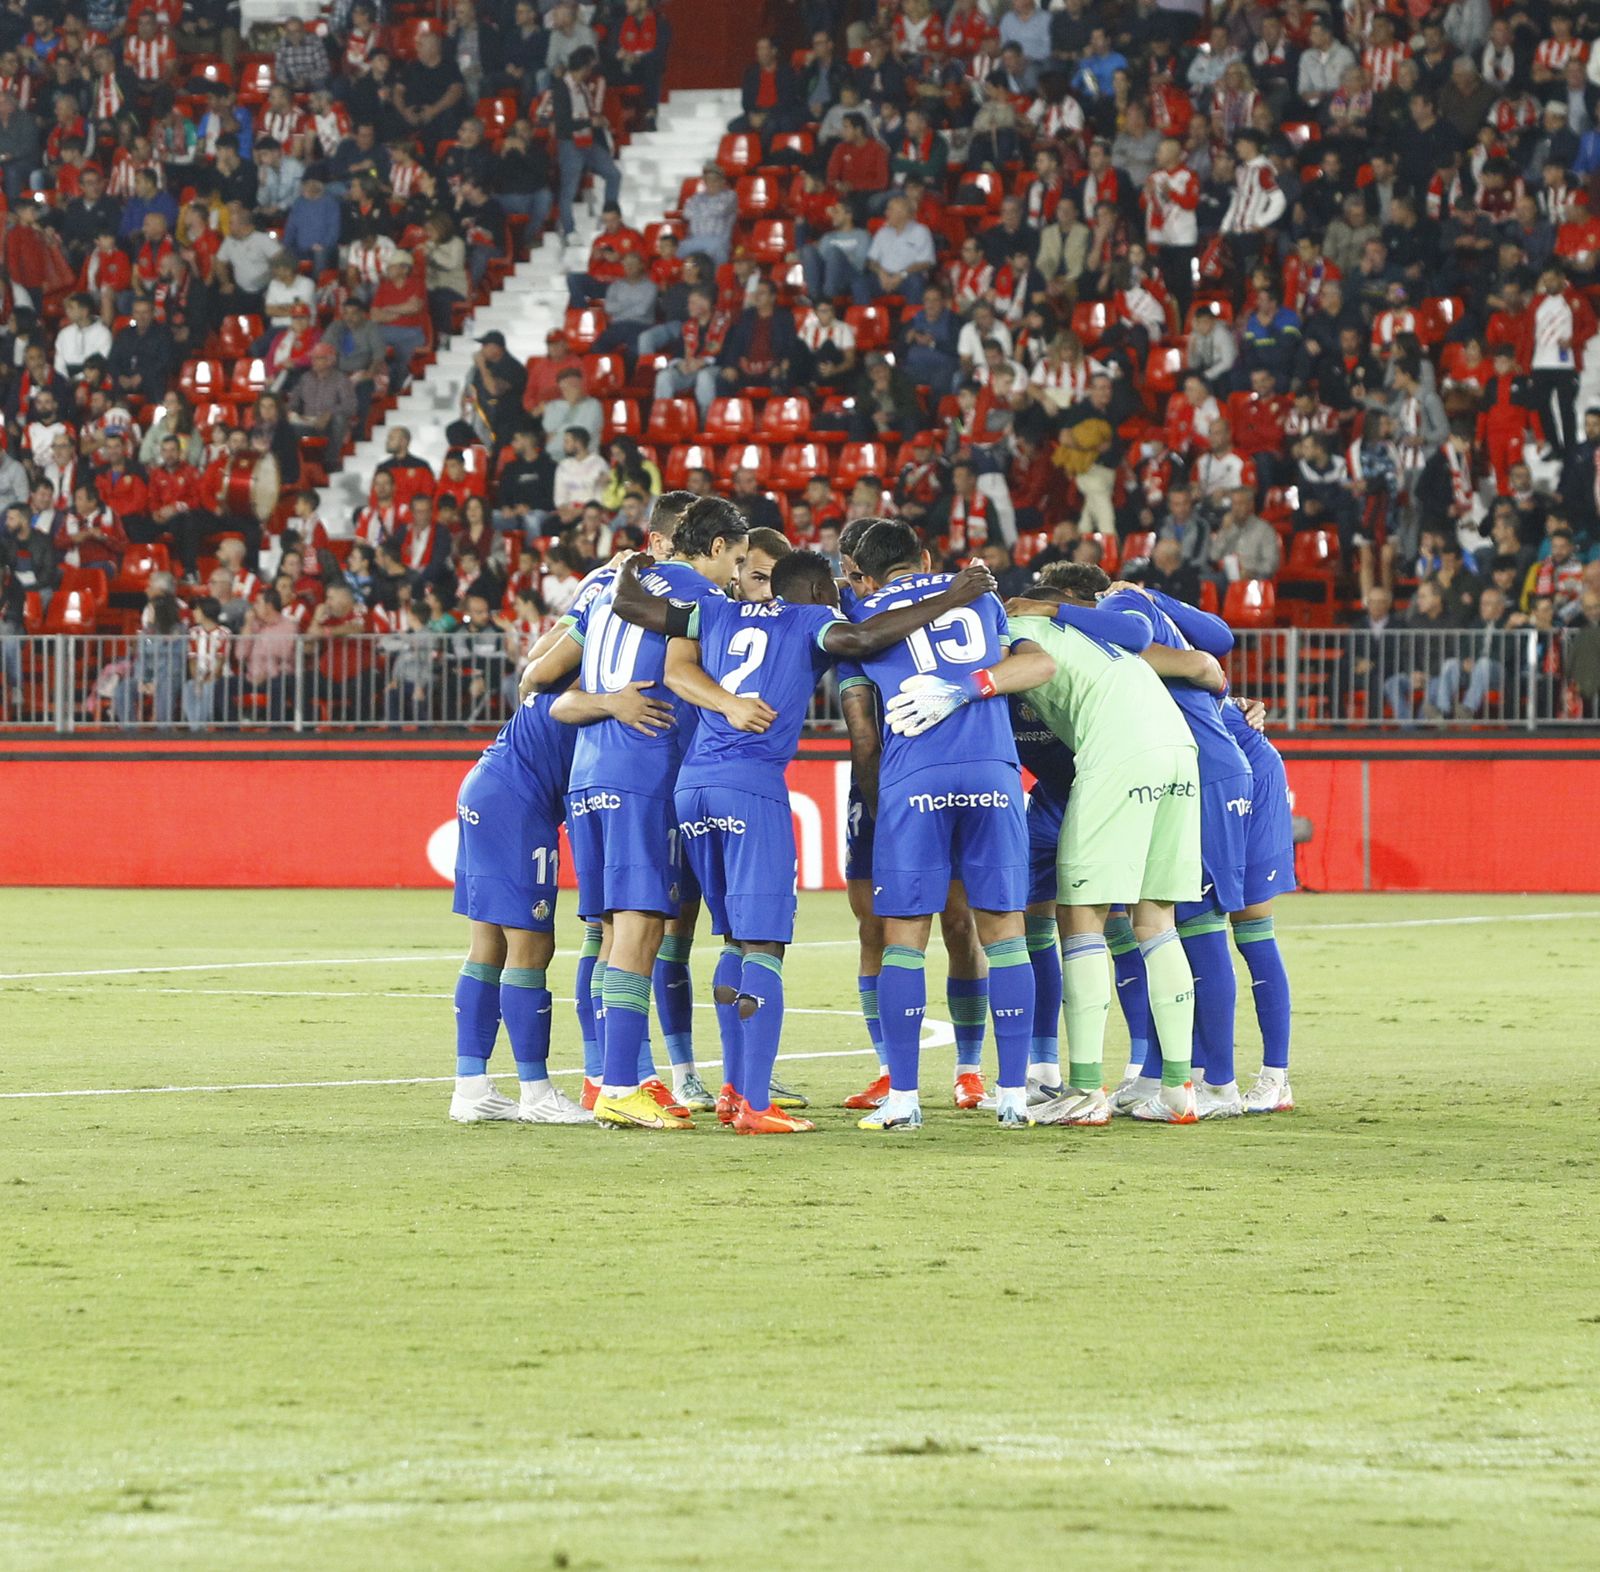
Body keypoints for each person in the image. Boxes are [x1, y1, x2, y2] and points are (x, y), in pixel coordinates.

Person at [607, 546, 998, 1130]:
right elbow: (863, 641)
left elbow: (631, 606)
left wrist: (630, 569)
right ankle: (757, 1107)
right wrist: (955, 597)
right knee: (764, 945)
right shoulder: (813, 620)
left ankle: (734, 1092)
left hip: (693, 788)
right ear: (819, 592)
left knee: (735, 941)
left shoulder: (714, 612)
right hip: (752, 788)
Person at [523, 495, 750, 1130]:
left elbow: (546, 678)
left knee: (606, 931)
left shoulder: (608, 590)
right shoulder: (700, 600)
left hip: (590, 773)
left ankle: (604, 1078)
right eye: (734, 558)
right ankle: (623, 1083)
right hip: (645, 772)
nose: (735, 574)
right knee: (642, 927)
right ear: (711, 549)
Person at [841, 518, 1057, 1132]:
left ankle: (904, 1098)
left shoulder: (863, 615)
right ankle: (1012, 1096)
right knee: (1005, 934)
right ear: (927, 555)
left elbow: (861, 713)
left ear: (865, 572)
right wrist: (968, 687)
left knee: (904, 936)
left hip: (914, 776)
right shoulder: (981, 596)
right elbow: (1040, 665)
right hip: (993, 771)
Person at [999, 563, 1209, 1125]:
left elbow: (1012, 671)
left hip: (1117, 755)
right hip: (1178, 753)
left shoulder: (1013, 630)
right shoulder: (1095, 636)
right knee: (1156, 917)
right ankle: (1179, 1089)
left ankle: (1087, 1091)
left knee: (1081, 919)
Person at [448, 627, 672, 1123]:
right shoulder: (591, 690)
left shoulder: (567, 672)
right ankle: (536, 1092)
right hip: (516, 803)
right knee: (532, 946)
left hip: (487, 786)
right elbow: (558, 707)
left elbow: (536, 673)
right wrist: (614, 703)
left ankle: (471, 1086)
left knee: (488, 946)